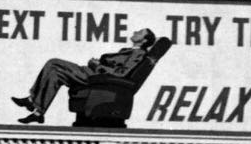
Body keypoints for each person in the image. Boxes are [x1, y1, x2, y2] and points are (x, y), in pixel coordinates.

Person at [12, 28, 158, 123]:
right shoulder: (129, 50)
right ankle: (38, 112)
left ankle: (32, 101)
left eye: (140, 32)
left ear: (144, 40)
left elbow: (121, 73)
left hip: (94, 77)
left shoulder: (138, 54)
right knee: (55, 74)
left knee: (53, 63)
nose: (135, 32)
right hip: (92, 74)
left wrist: (97, 65)